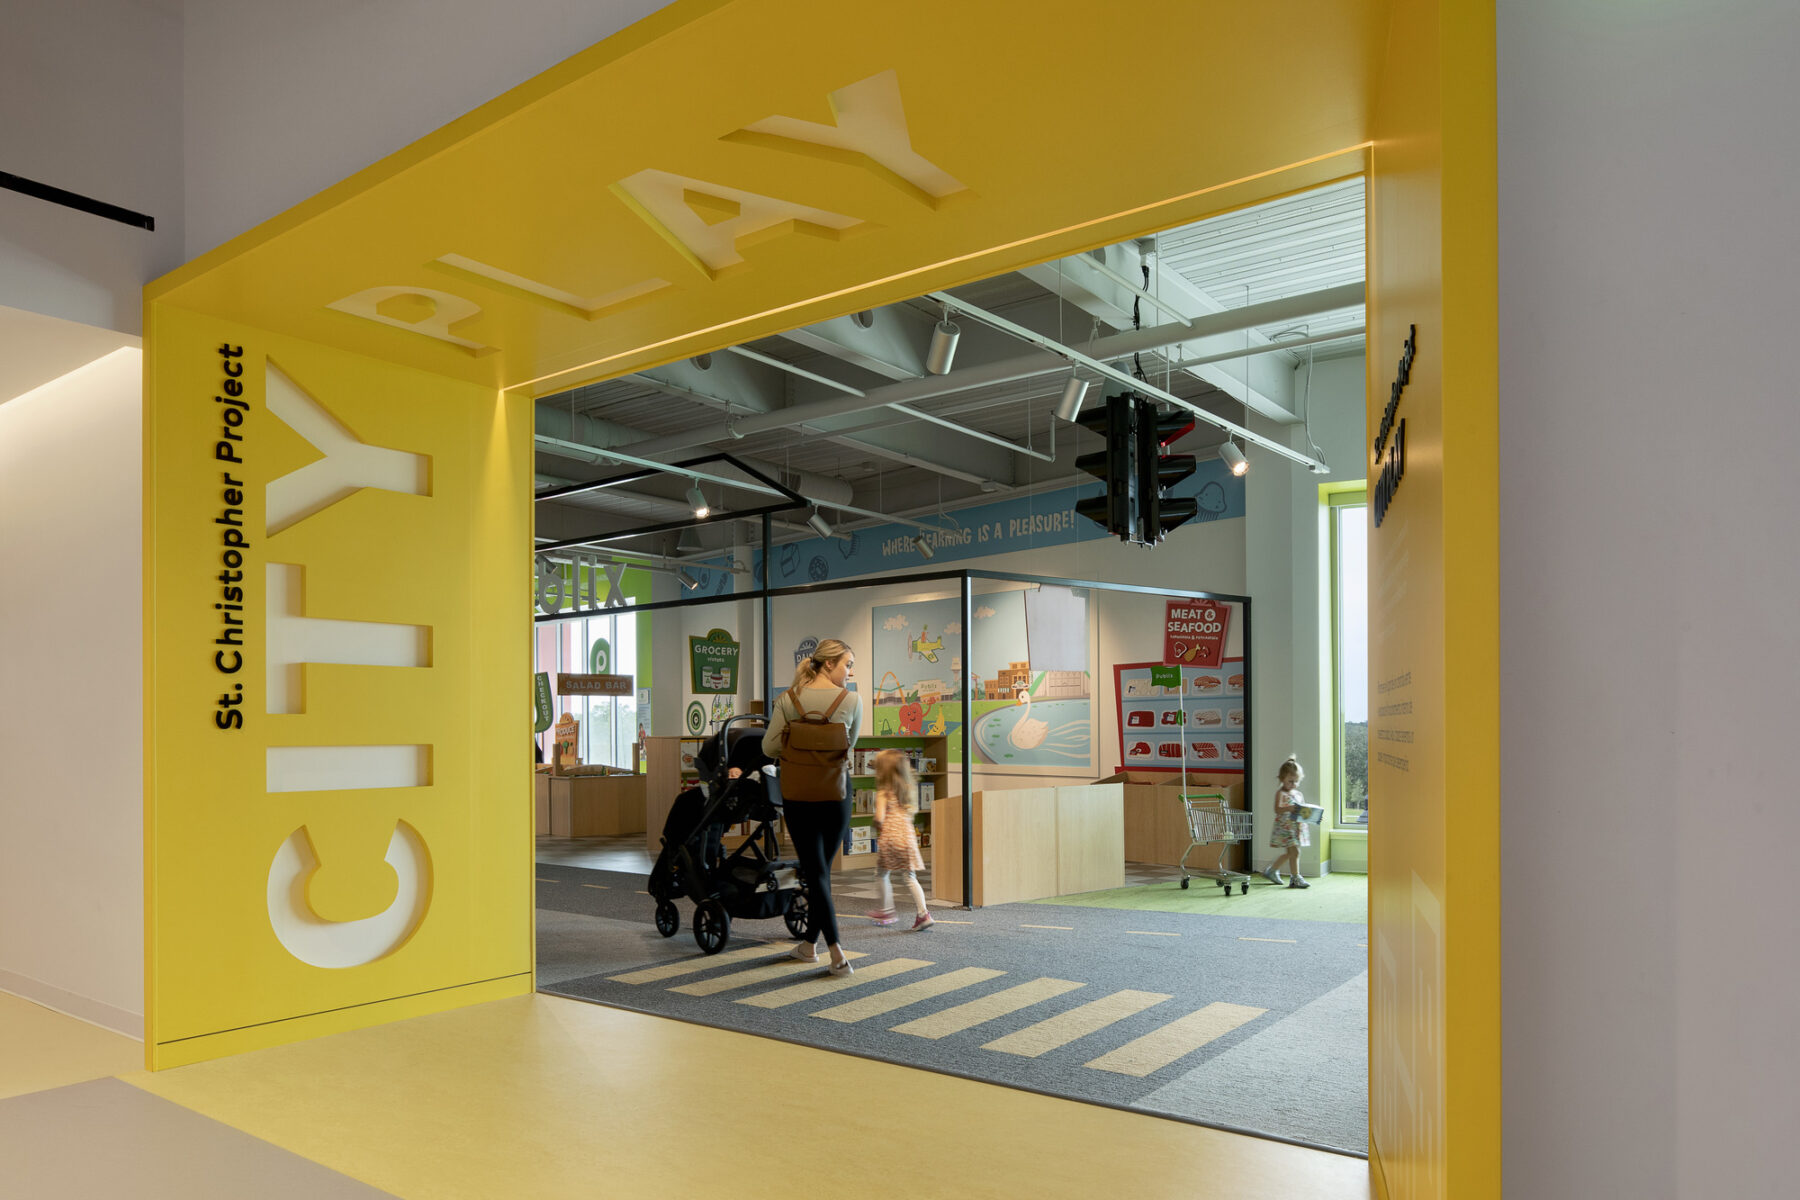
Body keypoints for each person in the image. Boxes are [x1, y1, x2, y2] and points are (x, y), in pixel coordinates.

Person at [763, 638, 861, 975]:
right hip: (837, 795)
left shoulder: (788, 701)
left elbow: (769, 746)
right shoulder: (852, 701)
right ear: (829, 664)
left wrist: (797, 744)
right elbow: (851, 745)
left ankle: (830, 950)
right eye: (848, 664)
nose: (850, 672)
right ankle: (813, 946)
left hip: (799, 796)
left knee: (816, 872)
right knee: (822, 873)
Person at [866, 749, 934, 931]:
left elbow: (879, 818)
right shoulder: (908, 789)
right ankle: (923, 914)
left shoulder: (883, 791)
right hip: (908, 837)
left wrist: (877, 825)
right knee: (910, 877)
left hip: (890, 837)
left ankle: (886, 910)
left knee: (881, 874)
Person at [1261, 754, 1311, 889]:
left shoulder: (1298, 794)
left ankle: (1274, 871)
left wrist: (1311, 815)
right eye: (1290, 781)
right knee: (1294, 852)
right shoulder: (1281, 793)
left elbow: (1303, 810)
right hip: (1285, 828)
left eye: (1296, 781)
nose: (1293, 784)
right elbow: (1277, 809)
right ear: (1282, 779)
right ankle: (1293, 877)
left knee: (1293, 852)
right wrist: (1288, 808)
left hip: (1296, 827)